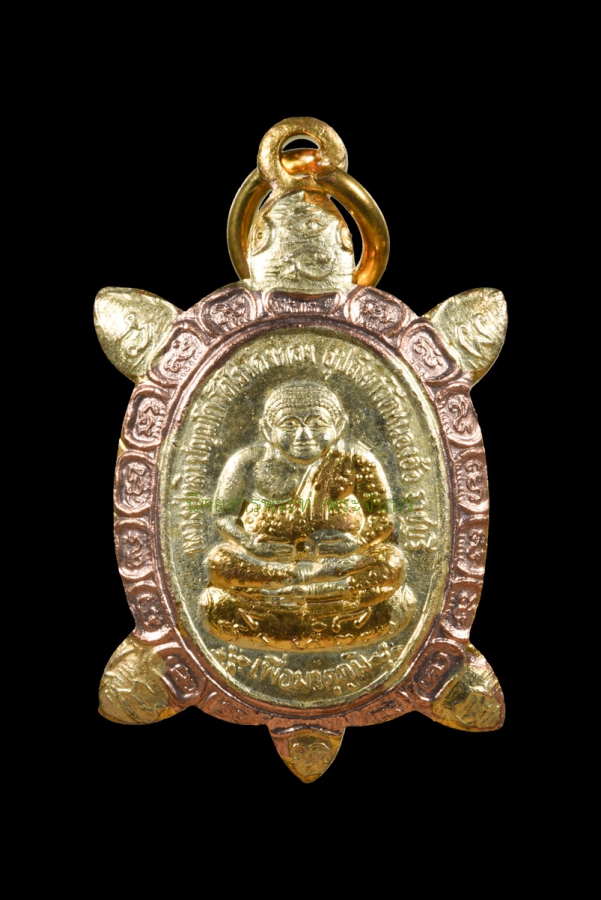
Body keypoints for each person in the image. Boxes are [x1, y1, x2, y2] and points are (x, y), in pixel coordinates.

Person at [201, 381, 410, 647]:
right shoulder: (248, 462)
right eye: (289, 424)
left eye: (317, 423)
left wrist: (356, 545)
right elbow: (223, 516)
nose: (304, 435)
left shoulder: (355, 460)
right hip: (271, 564)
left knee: (391, 563)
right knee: (219, 562)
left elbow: (383, 517)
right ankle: (316, 597)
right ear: (267, 429)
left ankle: (292, 598)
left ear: (339, 426)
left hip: (337, 566)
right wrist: (252, 546)